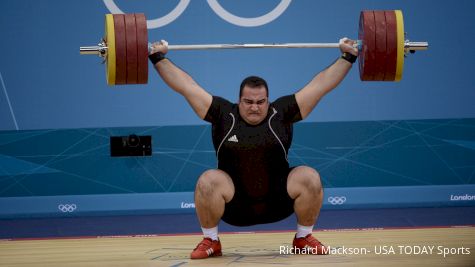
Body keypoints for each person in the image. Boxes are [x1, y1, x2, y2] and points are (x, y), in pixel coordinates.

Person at [148, 38, 358, 259]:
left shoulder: (283, 112)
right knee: (208, 180)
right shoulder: (222, 113)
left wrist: (348, 56)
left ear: (268, 100)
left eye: (260, 102)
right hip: (234, 205)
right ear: (239, 100)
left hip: (278, 201)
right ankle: (211, 240)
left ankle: (303, 238)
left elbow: (321, 85)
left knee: (309, 177)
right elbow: (185, 85)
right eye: (248, 102)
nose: (255, 107)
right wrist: (157, 57)